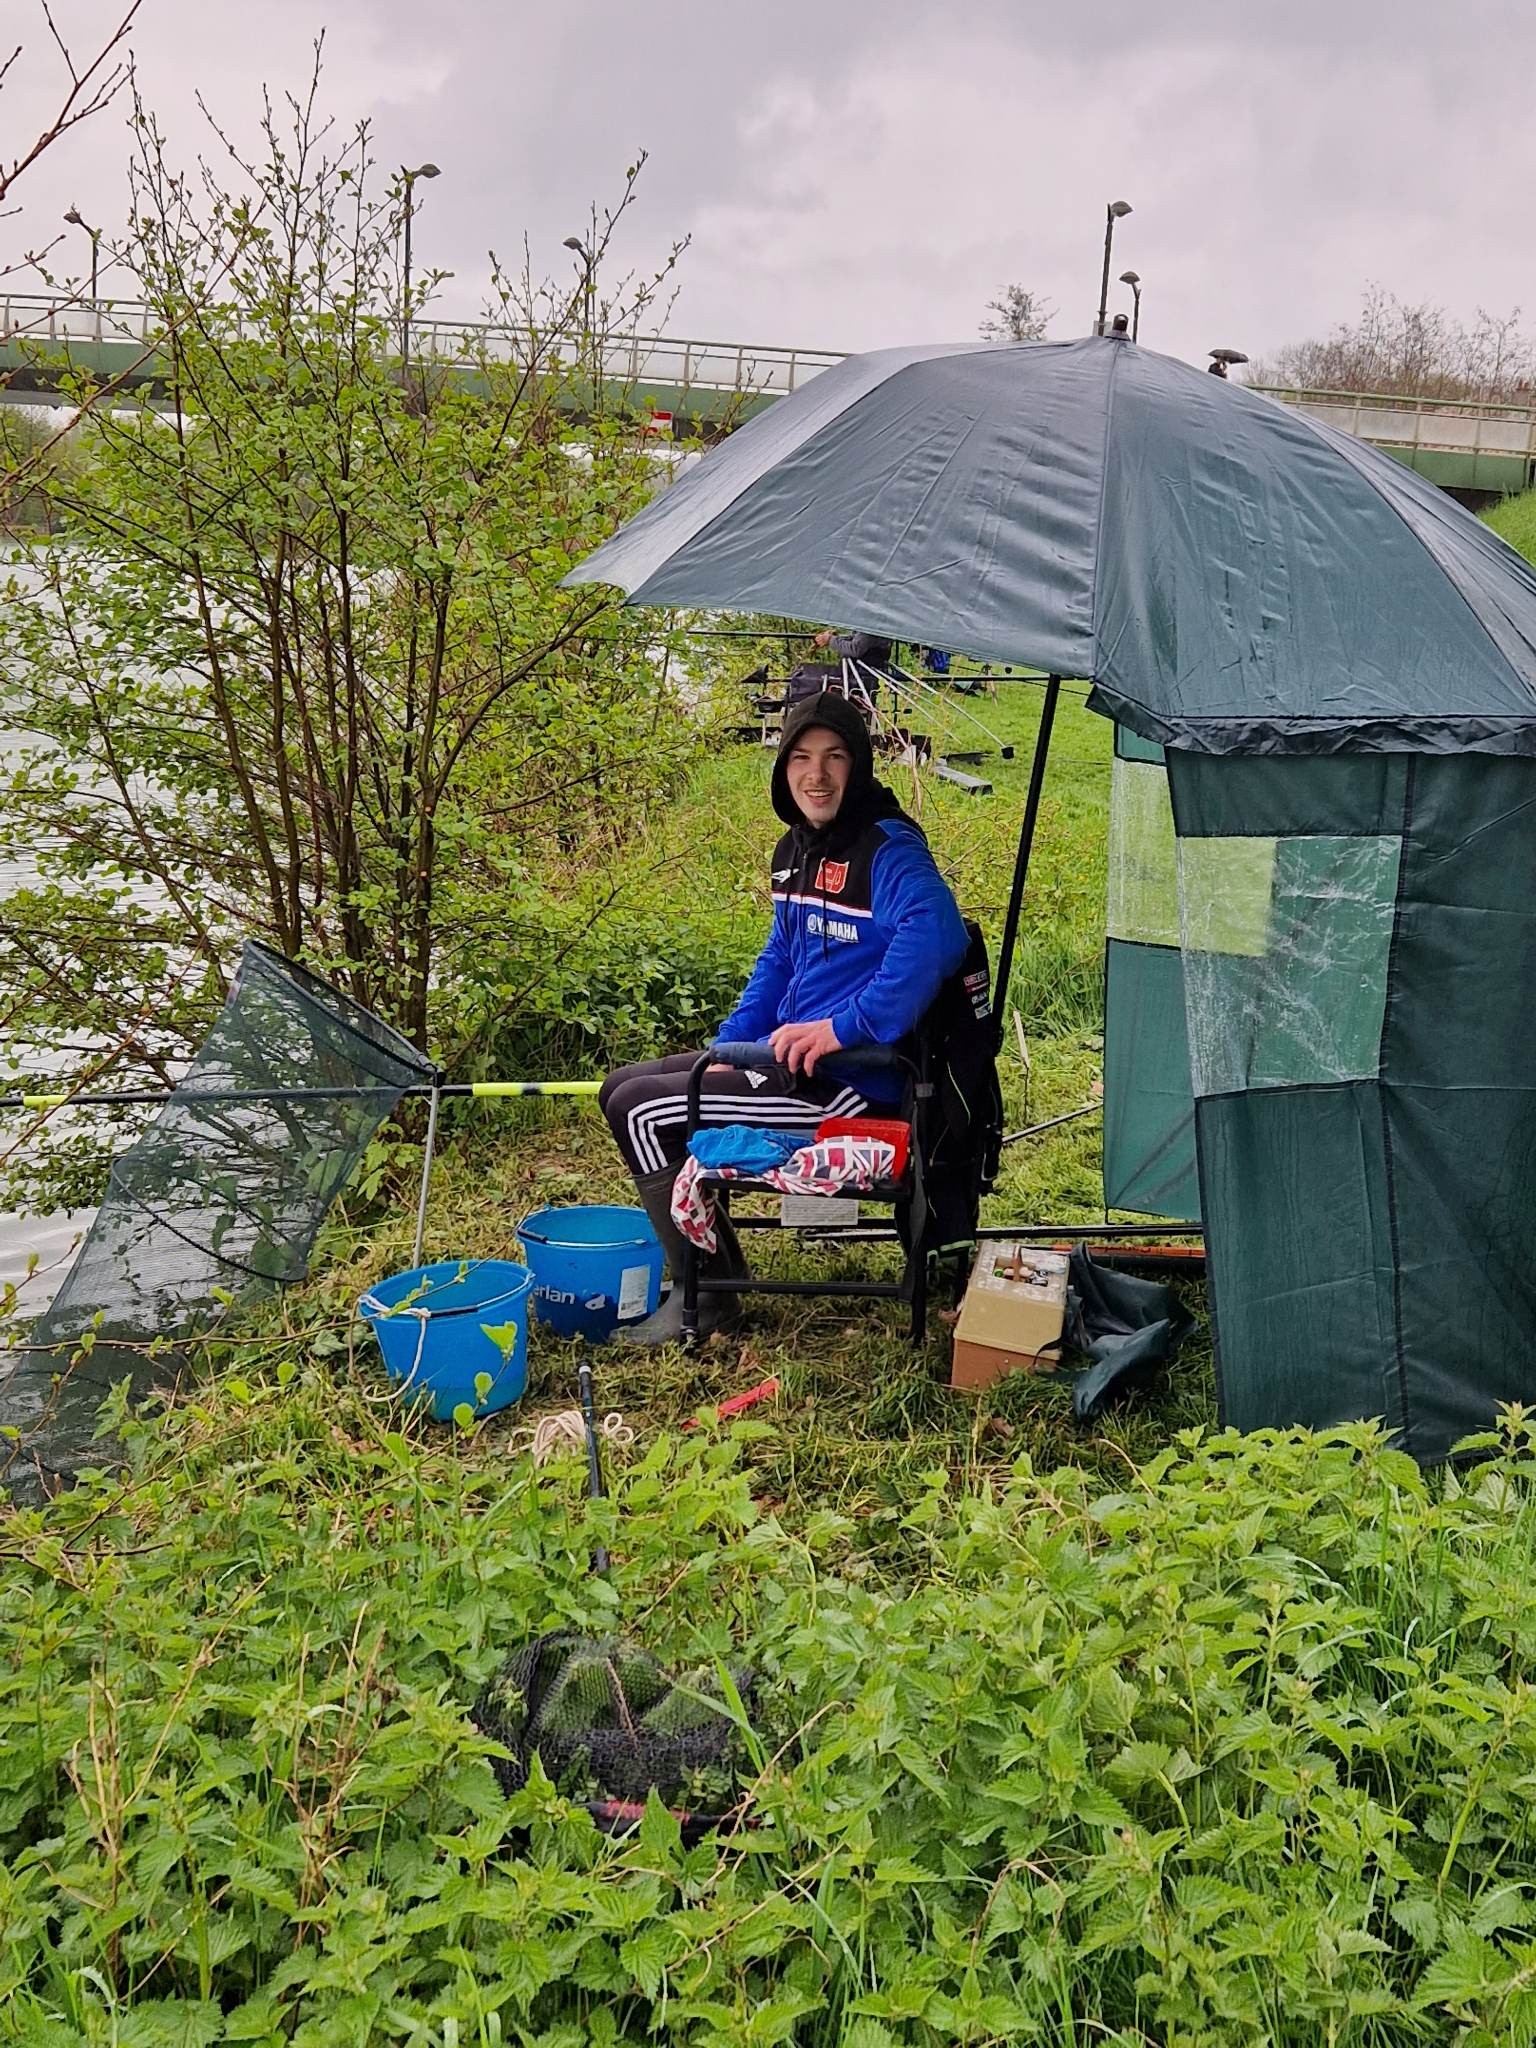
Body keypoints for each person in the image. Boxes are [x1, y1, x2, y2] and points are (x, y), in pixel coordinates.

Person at [600, 690, 969, 1345]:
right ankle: (713, 1273)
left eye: (834, 758)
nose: (816, 775)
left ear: (858, 767)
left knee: (644, 1112)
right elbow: (780, 960)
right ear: (783, 767)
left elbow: (938, 933)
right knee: (619, 1090)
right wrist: (725, 1051)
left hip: (856, 1089)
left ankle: (707, 1294)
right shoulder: (794, 850)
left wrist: (842, 1028)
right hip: (790, 1067)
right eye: (801, 757)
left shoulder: (888, 849)